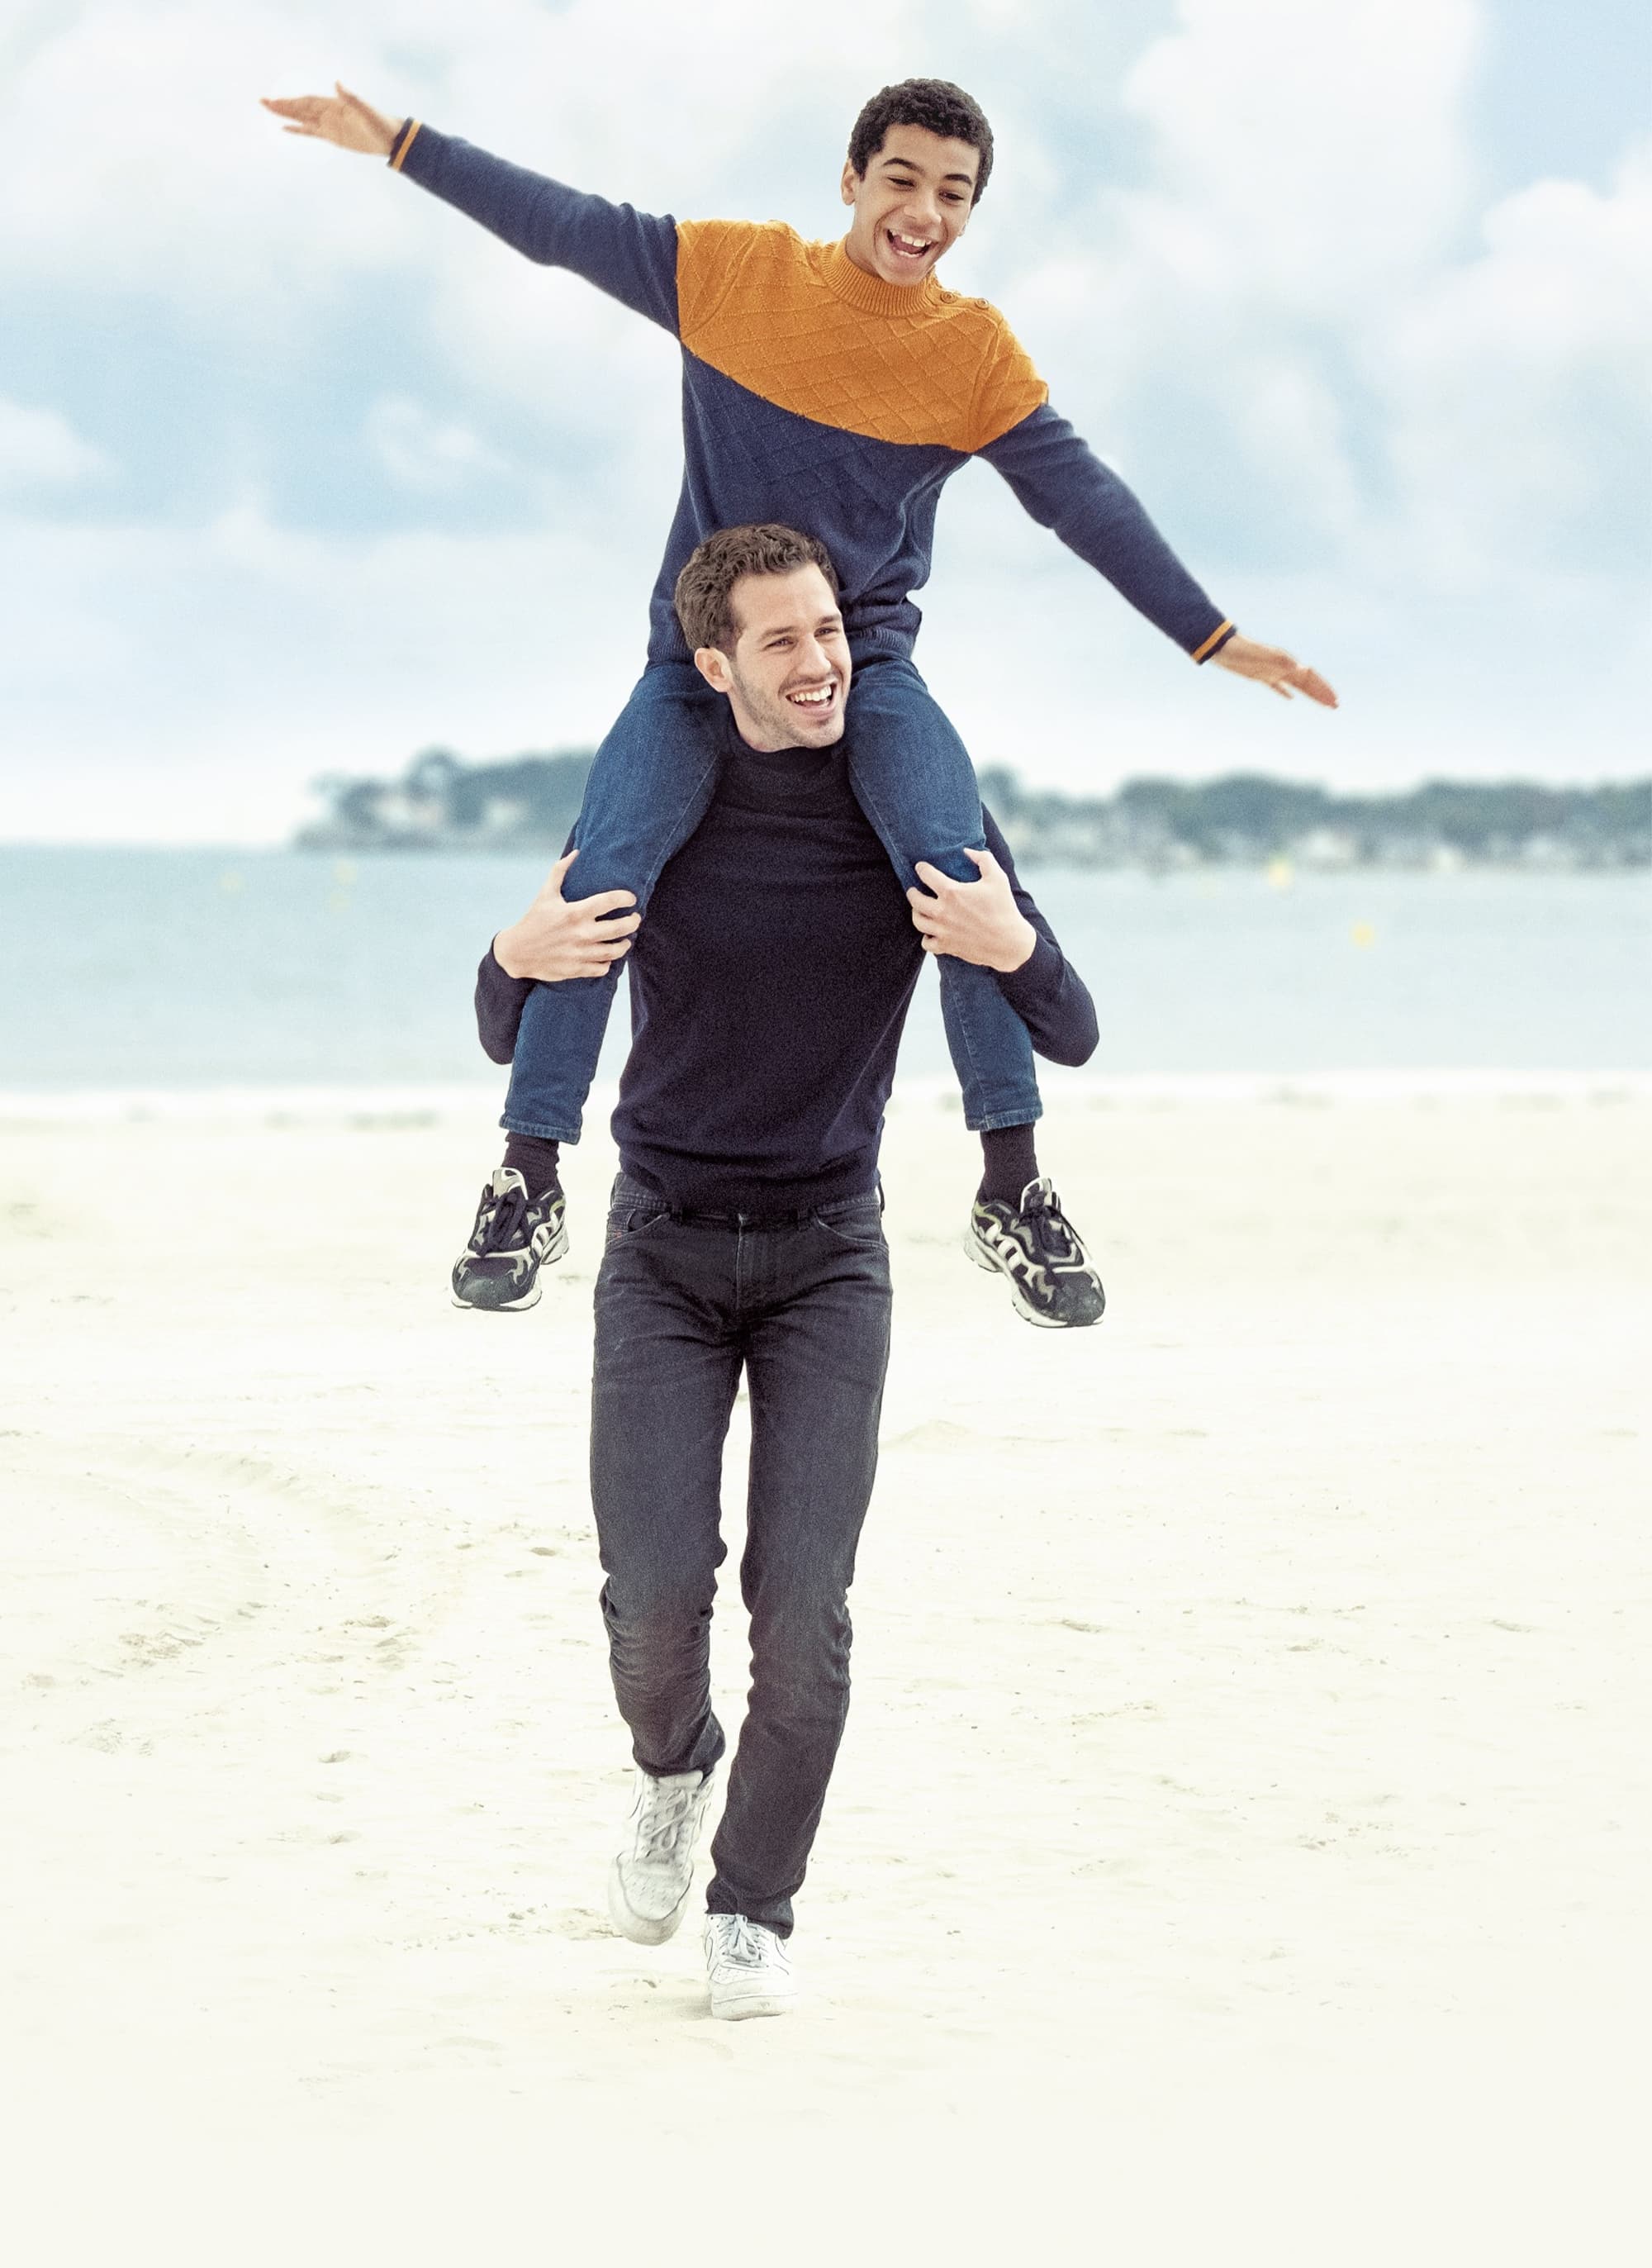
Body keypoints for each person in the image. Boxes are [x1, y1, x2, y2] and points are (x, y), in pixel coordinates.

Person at [261, 74, 1337, 1329]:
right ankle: (529, 1173)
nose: (924, 212)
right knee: (600, 879)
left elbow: (1079, 498)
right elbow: (561, 227)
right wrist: (401, 143)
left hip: (863, 659)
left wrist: (1211, 637)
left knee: (959, 877)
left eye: (955, 194)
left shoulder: (971, 353)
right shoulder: (736, 276)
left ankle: (1012, 1185)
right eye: (903, 179)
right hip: (697, 664)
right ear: (852, 180)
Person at [474, 523, 1099, 2016]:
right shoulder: (662, 809)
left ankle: (754, 1905)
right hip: (663, 1251)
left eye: (831, 631)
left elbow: (1069, 1027)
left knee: (804, 1620)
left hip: (829, 1258)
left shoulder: (911, 814)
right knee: (650, 1604)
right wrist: (508, 948)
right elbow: (510, 1019)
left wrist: (1016, 944)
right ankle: (672, 1769)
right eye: (784, 642)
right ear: (715, 667)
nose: (821, 662)